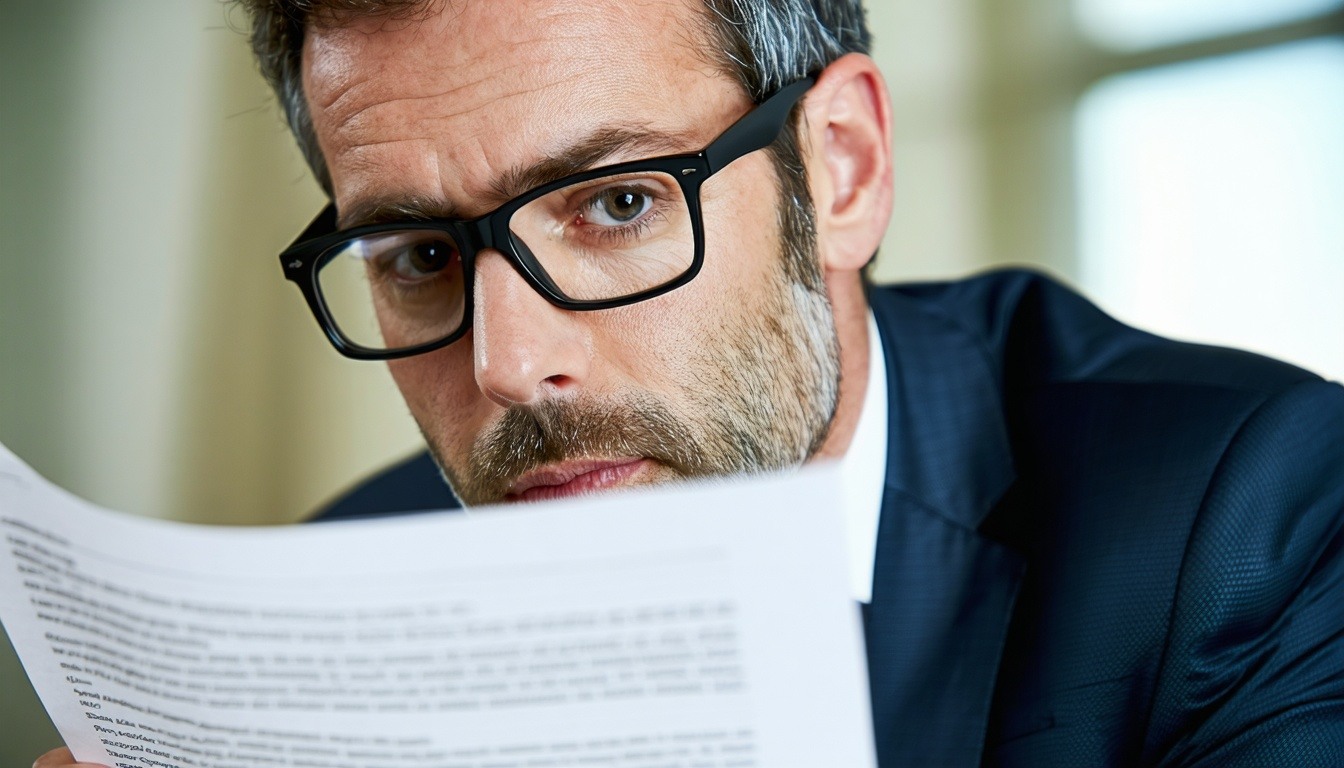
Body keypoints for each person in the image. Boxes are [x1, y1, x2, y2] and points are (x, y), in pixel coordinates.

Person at [38, 0, 1344, 766]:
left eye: (614, 203)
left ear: (837, 168)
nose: (508, 365)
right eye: (421, 255)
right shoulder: (344, 603)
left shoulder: (1246, 526)